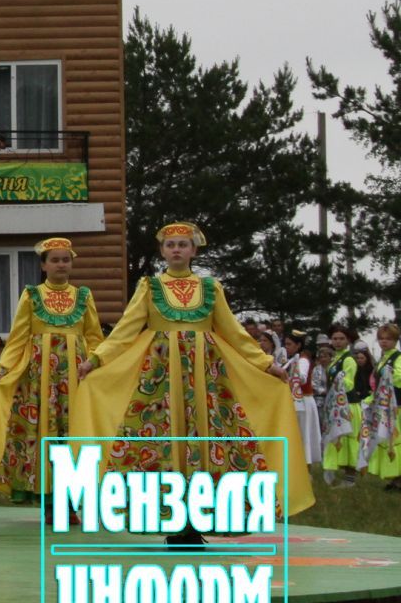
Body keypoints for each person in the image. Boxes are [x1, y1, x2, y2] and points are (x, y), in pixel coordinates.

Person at [74, 222, 315, 535]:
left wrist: (266, 363)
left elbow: (234, 332)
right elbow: (126, 330)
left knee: (207, 433)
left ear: (194, 250)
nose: (176, 249)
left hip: (206, 375)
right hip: (159, 377)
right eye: (170, 245)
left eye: (183, 244)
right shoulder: (150, 286)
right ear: (162, 251)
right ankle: (166, 515)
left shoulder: (210, 288)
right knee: (161, 435)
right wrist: (97, 359)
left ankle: (202, 516)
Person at [0, 237, 104, 516]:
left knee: (71, 436)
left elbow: (93, 336)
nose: (61, 264)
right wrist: (1, 369)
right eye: (54, 260)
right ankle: (48, 499)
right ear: (43, 265)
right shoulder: (32, 295)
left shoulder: (84, 295)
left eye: (65, 259)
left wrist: (92, 362)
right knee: (42, 434)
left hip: (74, 380)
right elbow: (18, 338)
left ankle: (69, 501)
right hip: (38, 381)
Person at [316, 324, 362, 486]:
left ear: (348, 340)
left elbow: (349, 383)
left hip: (347, 406)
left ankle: (350, 479)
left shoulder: (349, 359)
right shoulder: (335, 358)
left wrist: (340, 380)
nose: (337, 342)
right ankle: (332, 470)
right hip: (335, 406)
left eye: (341, 338)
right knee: (335, 438)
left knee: (348, 441)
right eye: (335, 338)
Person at [359, 323, 400, 490]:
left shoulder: (397, 357)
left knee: (395, 440)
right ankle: (394, 477)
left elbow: (398, 377)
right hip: (383, 405)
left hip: (396, 405)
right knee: (386, 439)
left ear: (395, 340)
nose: (384, 342)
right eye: (381, 339)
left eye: (388, 339)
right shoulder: (383, 358)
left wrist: (389, 374)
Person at [286, 332, 322, 472]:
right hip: (298, 400)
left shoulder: (303, 359)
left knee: (304, 433)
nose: (286, 347)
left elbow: (302, 377)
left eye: (289, 344)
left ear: (298, 345)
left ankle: (306, 468)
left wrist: (292, 372)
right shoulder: (294, 359)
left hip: (304, 401)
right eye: (286, 344)